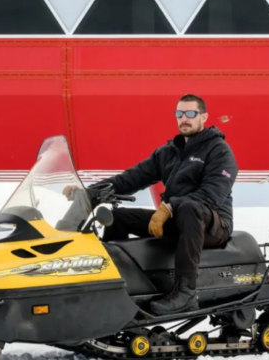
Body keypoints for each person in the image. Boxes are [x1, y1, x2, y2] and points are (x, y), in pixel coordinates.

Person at [65, 94, 237, 315]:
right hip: (175, 219)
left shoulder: (219, 150)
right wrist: (89, 192)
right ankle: (116, 284)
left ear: (203, 117)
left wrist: (169, 207)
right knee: (117, 217)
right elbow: (129, 179)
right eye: (179, 113)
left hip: (213, 225)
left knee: (189, 209)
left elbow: (213, 194)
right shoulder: (168, 152)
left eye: (191, 113)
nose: (184, 118)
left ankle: (185, 293)